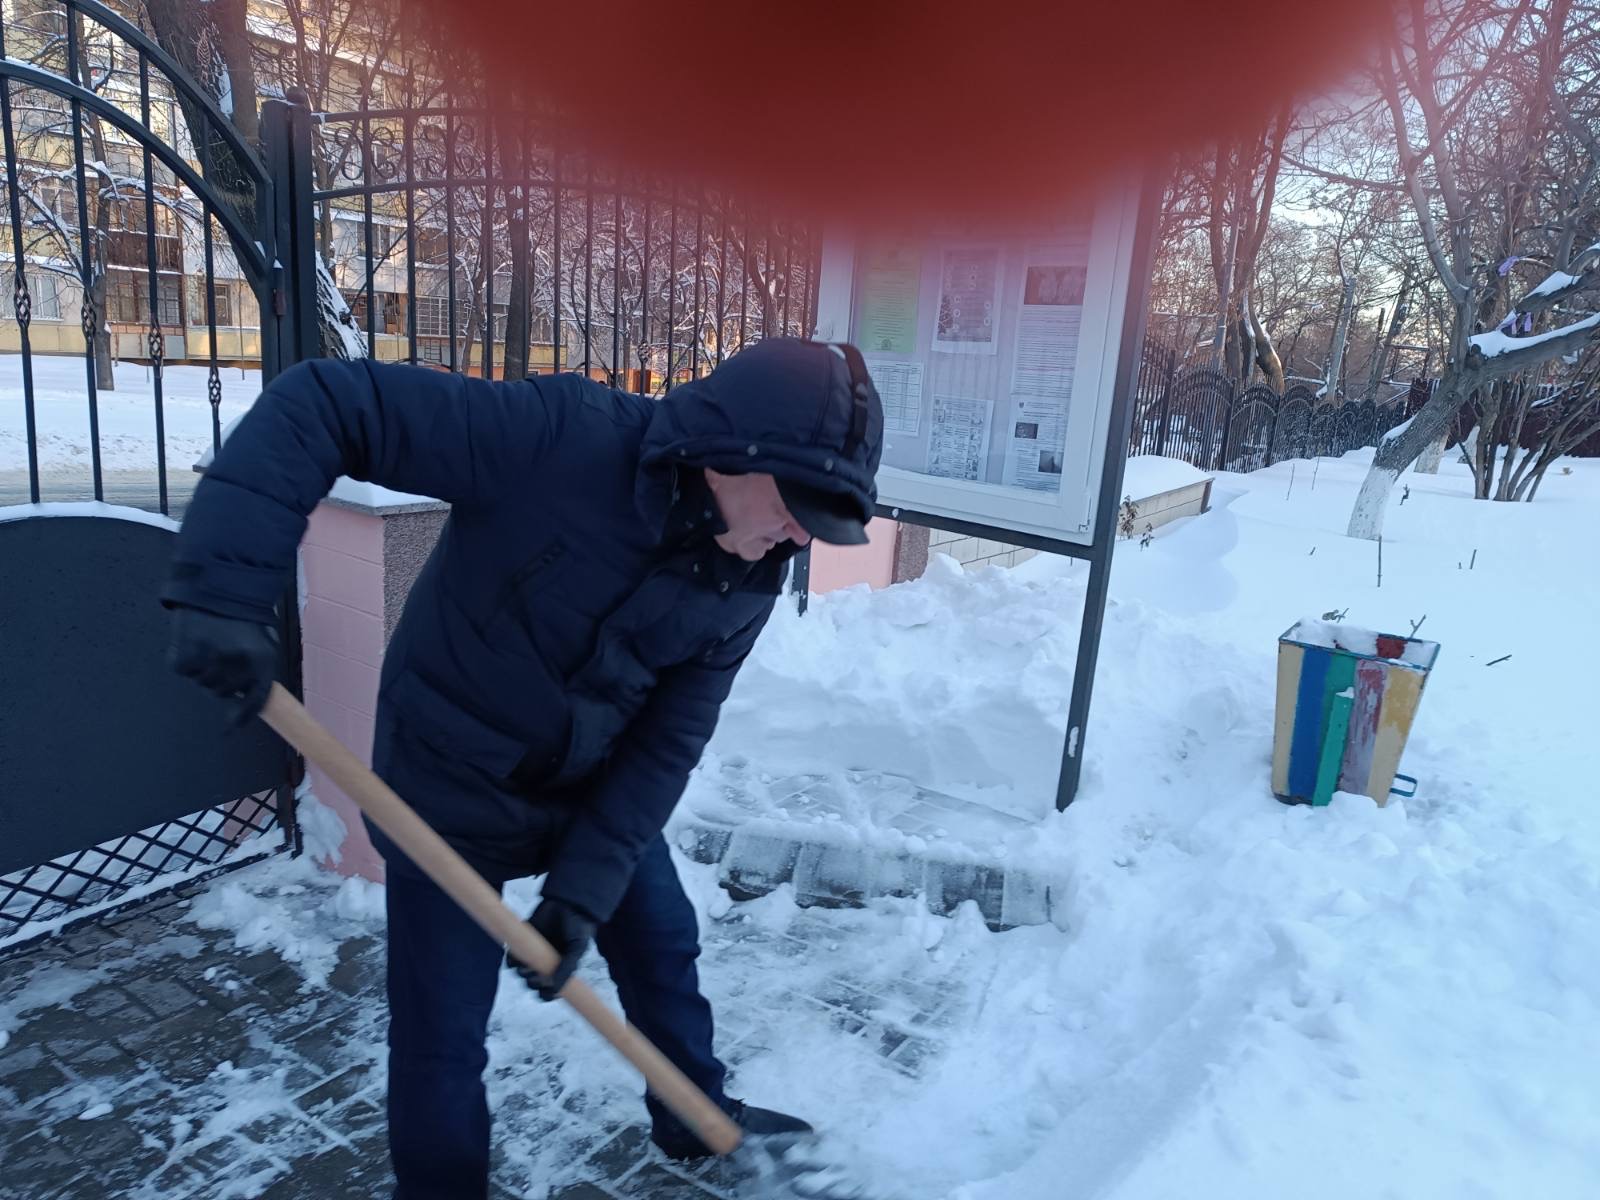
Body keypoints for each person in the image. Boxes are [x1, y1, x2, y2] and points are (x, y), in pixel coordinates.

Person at [162, 338, 884, 1199]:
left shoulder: (751, 575)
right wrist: (225, 589)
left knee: (662, 944)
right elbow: (329, 403)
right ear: (730, 453)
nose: (801, 535)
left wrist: (582, 892)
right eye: (799, 506)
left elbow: (667, 741)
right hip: (446, 787)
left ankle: (694, 1114)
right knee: (442, 1033)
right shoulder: (558, 439)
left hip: (588, 784)